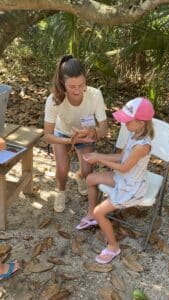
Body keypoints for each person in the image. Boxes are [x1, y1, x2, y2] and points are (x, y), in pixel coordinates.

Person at [76, 97, 155, 264]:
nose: (124, 124)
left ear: (141, 122)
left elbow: (124, 167)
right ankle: (91, 216)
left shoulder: (142, 146)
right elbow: (121, 156)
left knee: (100, 212)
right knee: (90, 178)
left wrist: (99, 159)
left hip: (131, 187)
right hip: (122, 177)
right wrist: (99, 156)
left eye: (128, 120)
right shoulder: (134, 134)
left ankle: (113, 246)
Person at [44, 55, 108, 213]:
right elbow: (47, 135)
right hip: (61, 134)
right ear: (62, 83)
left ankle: (80, 176)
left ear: (86, 79)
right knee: (63, 168)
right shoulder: (54, 100)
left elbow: (104, 130)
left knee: (87, 172)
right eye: (72, 86)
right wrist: (69, 141)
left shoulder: (95, 95)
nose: (78, 90)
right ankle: (61, 190)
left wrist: (93, 133)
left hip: (87, 135)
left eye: (81, 85)